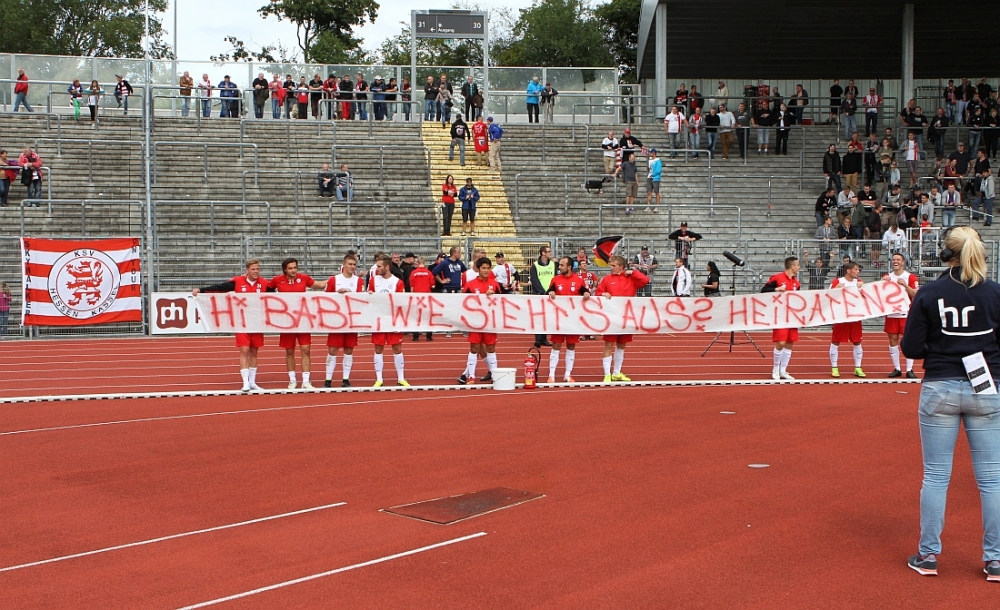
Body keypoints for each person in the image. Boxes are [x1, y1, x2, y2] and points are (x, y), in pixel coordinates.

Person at [901, 226, 1000, 581]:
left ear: (946, 254)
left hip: (940, 385)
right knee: (991, 479)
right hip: (986, 388)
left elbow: (911, 348)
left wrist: (940, 349)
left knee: (937, 476)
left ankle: (928, 555)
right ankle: (995, 559)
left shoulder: (929, 293)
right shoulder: (995, 293)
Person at [192, 259, 269, 391]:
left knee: (254, 351)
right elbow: (220, 288)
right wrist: (201, 290)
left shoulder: (265, 283)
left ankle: (252, 382)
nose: (256, 271)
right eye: (253, 269)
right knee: (244, 350)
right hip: (242, 322)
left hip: (257, 322)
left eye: (257, 269)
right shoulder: (238, 282)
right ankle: (245, 382)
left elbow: (279, 294)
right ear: (247, 270)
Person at [267, 258, 328, 389]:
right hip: (287, 321)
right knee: (289, 351)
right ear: (285, 269)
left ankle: (306, 380)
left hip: (303, 319)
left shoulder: (304, 278)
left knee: (306, 349)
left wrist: (338, 279)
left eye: (295, 267)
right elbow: (265, 290)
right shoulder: (277, 280)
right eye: (290, 268)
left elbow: (320, 285)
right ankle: (292, 379)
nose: (293, 270)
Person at [596, 255, 650, 383]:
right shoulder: (607, 279)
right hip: (612, 317)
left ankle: (617, 372)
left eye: (613, 266)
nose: (611, 268)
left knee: (621, 345)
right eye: (610, 265)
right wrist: (603, 294)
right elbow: (598, 293)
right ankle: (607, 374)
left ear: (621, 266)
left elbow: (645, 280)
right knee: (608, 344)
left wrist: (632, 272)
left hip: (626, 317)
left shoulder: (631, 279)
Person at [457, 257, 503, 385]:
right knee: (474, 347)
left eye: (488, 268)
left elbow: (502, 301)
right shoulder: (470, 284)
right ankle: (471, 376)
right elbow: (463, 301)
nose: (486, 270)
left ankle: (494, 375)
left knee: (491, 347)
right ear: (478, 269)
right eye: (483, 268)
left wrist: (493, 296)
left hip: (490, 322)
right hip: (475, 322)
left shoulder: (495, 284)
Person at [546, 256, 591, 383]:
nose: (559, 267)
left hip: (573, 319)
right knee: (556, 345)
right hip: (559, 319)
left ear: (569, 267)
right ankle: (551, 375)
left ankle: (567, 374)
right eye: (559, 265)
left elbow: (585, 292)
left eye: (561, 265)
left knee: (571, 346)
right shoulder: (555, 279)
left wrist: (587, 294)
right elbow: (548, 292)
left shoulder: (579, 280)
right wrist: (550, 293)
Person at [323, 253, 365, 387]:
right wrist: (338, 294)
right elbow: (325, 299)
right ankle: (328, 379)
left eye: (354, 265)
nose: (352, 267)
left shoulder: (358, 281)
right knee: (333, 349)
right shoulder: (334, 279)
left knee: (349, 349)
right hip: (337, 320)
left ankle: (345, 379)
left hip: (351, 320)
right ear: (344, 265)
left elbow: (361, 299)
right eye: (350, 264)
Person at [368, 255, 409, 387]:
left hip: (393, 320)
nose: (377, 268)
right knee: (378, 348)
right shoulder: (373, 281)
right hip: (379, 320)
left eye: (379, 266)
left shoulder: (397, 282)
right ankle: (379, 379)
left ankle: (401, 378)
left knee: (397, 348)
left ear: (387, 267)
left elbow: (401, 301)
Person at [881, 253, 920, 379]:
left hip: (906, 314)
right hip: (891, 313)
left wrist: (905, 285)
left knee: (908, 340)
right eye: (893, 259)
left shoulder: (910, 277)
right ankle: (897, 368)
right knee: (892, 340)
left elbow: (915, 294)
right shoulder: (887, 277)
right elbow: (879, 295)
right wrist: (881, 285)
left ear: (903, 262)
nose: (895, 261)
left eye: (898, 259)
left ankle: (909, 369)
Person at [761, 257, 801, 380]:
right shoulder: (777, 278)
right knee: (781, 342)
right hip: (779, 315)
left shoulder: (796, 283)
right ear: (792, 266)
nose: (799, 267)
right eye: (798, 265)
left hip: (792, 316)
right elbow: (763, 291)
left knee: (790, 342)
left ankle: (783, 370)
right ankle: (775, 369)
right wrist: (775, 289)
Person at [828, 262, 866, 378]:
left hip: (855, 317)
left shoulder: (859, 283)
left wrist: (862, 289)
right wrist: (835, 290)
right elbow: (827, 297)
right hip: (841, 317)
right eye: (856, 269)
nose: (858, 271)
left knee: (857, 341)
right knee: (836, 341)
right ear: (848, 271)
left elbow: (867, 297)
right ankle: (834, 367)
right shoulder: (837, 282)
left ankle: (858, 367)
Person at [530, 245, 556, 348]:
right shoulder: (535, 265)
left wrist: (550, 291)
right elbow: (534, 280)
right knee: (538, 317)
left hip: (549, 295)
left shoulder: (553, 265)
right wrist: (542, 292)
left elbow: (555, 279)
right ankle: (538, 339)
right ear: (543, 253)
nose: (550, 253)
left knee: (547, 317)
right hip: (539, 295)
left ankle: (544, 338)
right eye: (548, 251)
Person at [407, 256, 435, 342]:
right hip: (426, 296)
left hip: (416, 296)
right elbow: (433, 285)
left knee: (416, 316)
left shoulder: (413, 273)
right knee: (427, 316)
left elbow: (411, 286)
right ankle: (429, 336)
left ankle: (415, 336)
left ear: (418, 263)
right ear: (425, 263)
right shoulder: (429, 273)